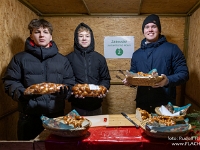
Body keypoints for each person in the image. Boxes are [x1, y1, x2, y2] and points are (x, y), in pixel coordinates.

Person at [2, 19, 75, 140]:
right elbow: (9, 81)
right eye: (37, 31)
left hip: (55, 116)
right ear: (31, 35)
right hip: (29, 117)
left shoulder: (62, 60)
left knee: (55, 148)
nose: (41, 35)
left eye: (45, 32)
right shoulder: (19, 58)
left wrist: (66, 92)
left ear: (50, 36)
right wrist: (23, 93)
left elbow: (70, 82)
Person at [123, 14, 189, 113]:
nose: (150, 30)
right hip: (142, 105)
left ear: (159, 30)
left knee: (163, 128)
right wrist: (130, 80)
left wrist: (167, 80)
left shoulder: (172, 49)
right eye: (147, 27)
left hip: (165, 105)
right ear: (143, 31)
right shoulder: (137, 54)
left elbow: (184, 74)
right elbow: (134, 73)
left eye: (154, 26)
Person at [66, 22, 111, 116]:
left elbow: (105, 79)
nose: (84, 38)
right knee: (77, 129)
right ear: (76, 38)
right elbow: (67, 80)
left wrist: (103, 88)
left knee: (97, 130)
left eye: (87, 36)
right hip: (76, 107)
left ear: (91, 38)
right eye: (81, 36)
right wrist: (73, 92)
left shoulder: (100, 58)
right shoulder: (68, 59)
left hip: (96, 106)